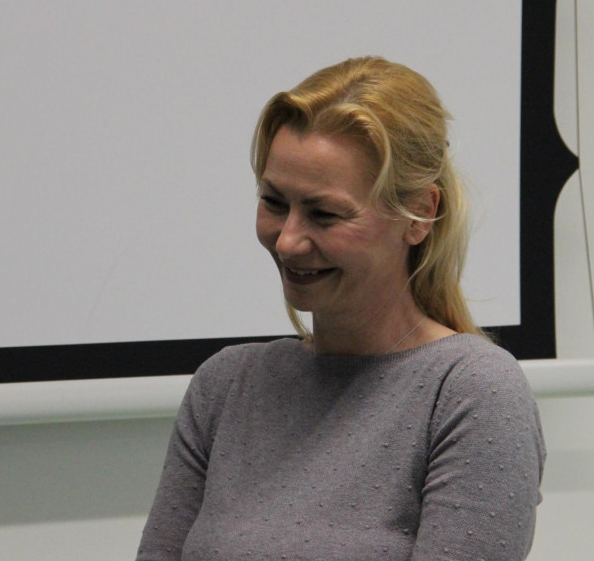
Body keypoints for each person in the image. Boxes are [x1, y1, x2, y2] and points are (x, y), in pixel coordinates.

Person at [136, 57, 545, 560]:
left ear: (420, 214)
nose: (287, 241)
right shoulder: (225, 387)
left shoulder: (471, 393)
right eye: (274, 202)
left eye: (325, 214)